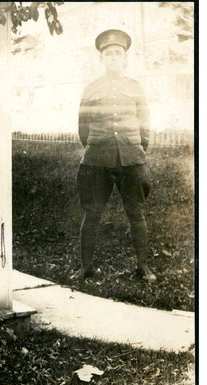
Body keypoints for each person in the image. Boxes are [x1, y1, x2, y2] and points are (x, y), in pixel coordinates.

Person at [73, 29, 157, 283]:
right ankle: (85, 267)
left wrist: (138, 147)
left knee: (136, 213)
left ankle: (143, 267)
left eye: (118, 53)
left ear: (125, 58)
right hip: (97, 158)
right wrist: (95, 146)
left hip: (131, 158)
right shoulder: (91, 89)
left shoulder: (135, 87)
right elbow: (83, 127)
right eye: (108, 54)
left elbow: (144, 124)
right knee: (92, 213)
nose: (113, 58)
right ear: (102, 58)